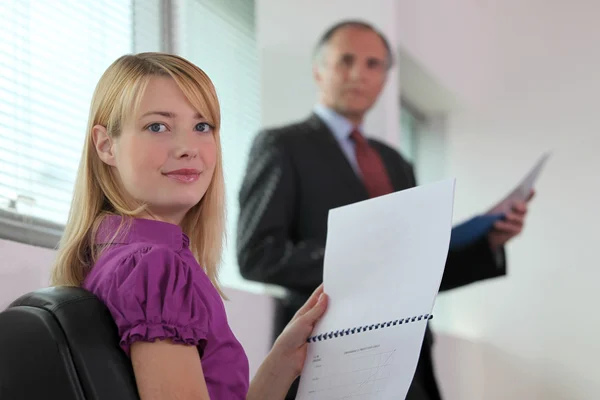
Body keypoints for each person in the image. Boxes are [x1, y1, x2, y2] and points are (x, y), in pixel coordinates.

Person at [236, 20, 533, 400]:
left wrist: (488, 239)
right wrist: (358, 262)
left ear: (385, 78)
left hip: (408, 358)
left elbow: (414, 269)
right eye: (345, 60)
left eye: (373, 64)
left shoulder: (395, 162)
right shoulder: (282, 145)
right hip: (326, 354)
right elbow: (256, 254)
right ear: (318, 70)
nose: (359, 73)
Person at [49, 52, 329, 400]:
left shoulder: (113, 256)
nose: (188, 148)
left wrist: (280, 363)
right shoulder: (154, 268)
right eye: (157, 126)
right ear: (106, 145)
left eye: (202, 127)